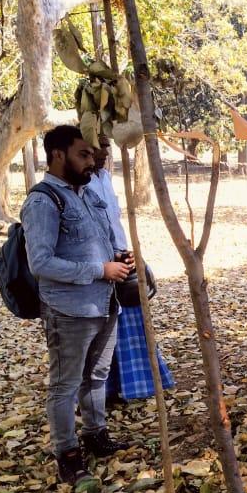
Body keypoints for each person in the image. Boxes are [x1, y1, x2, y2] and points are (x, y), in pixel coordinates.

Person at [21, 125, 131, 491]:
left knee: (96, 377)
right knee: (65, 385)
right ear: (57, 155)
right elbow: (41, 263)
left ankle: (95, 433)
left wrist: (117, 257)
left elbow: (97, 241)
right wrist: (100, 269)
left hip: (104, 303)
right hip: (69, 311)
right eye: (83, 154)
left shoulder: (85, 194)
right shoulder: (42, 201)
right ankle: (67, 455)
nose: (92, 160)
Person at [86, 136, 176, 404]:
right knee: (106, 331)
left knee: (133, 321)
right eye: (96, 146)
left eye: (105, 145)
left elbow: (115, 223)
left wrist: (133, 255)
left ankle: (138, 385)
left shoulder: (104, 178)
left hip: (123, 259)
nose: (103, 152)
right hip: (101, 265)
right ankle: (106, 391)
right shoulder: (80, 184)